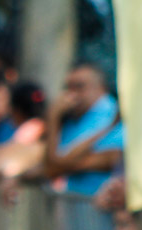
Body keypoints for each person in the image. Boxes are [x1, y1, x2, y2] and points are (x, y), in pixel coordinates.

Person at [44, 62, 123, 196]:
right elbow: (51, 167)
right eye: (68, 88)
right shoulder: (73, 119)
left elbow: (56, 166)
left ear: (101, 88)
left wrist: (53, 118)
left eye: (80, 87)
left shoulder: (109, 113)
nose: (72, 95)